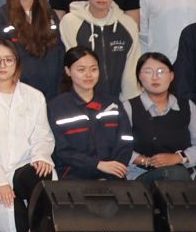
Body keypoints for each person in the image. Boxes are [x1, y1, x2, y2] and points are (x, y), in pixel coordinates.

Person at [0, 39, 55, 232]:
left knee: (42, 172)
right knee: (18, 227)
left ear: (17, 63)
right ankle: (8, 210)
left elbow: (43, 135)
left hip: (22, 168)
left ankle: (35, 209)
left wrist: (41, 156)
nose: (2, 65)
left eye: (9, 59)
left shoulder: (34, 96)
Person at [48, 46, 135, 183]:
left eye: (93, 69)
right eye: (81, 70)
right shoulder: (57, 107)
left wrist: (114, 168)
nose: (88, 75)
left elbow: (126, 140)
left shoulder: (112, 104)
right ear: (68, 71)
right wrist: (97, 165)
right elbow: (60, 149)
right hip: (73, 179)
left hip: (113, 178)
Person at [126, 52, 196, 183]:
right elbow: (117, 147)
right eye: (148, 72)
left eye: (161, 71)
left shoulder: (186, 106)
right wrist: (147, 161)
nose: (155, 77)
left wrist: (179, 157)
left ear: (171, 76)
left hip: (183, 174)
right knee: (174, 174)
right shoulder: (128, 107)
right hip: (141, 176)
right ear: (139, 76)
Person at [58, 0, 141, 103]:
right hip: (81, 99)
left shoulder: (127, 23)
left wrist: (130, 101)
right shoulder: (71, 22)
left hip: (118, 100)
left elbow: (132, 67)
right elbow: (72, 63)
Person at [0, 0, 66, 101]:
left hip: (52, 91)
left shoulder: (49, 14)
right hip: (18, 92)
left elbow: (59, 50)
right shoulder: (2, 15)